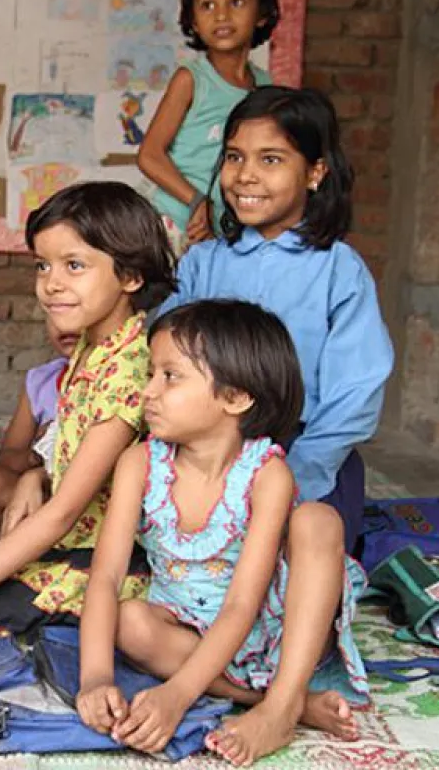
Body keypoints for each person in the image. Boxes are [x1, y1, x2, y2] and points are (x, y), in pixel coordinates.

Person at [155, 85, 394, 764]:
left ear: (316, 172)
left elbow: (357, 392)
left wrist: (294, 478)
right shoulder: (203, 263)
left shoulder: (337, 270)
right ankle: (266, 696)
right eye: (234, 157)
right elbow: (163, 354)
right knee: (171, 596)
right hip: (209, 454)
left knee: (298, 599)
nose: (246, 176)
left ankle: (286, 698)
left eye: (271, 159)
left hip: (305, 456)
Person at [78, 300, 368, 764]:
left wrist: (176, 697)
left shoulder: (265, 475)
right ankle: (282, 705)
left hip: (276, 633)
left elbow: (241, 605)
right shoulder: (138, 464)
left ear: (235, 397)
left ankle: (283, 701)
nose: (147, 391)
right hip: (187, 635)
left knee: (318, 519)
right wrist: (94, 677)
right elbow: (106, 578)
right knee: (130, 620)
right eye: (152, 373)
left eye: (170, 376)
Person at [0, 181, 177, 666]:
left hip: (111, 560)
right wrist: (35, 475)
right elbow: (70, 454)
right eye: (43, 266)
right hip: (72, 540)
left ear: (131, 276)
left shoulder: (129, 372)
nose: (51, 283)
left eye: (74, 266)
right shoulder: (93, 349)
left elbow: (63, 513)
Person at [139, 0, 279, 253]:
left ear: (262, 13)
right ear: (192, 20)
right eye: (207, 5)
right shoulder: (191, 80)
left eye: (236, 2)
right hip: (169, 223)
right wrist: (196, 201)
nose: (221, 15)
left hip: (219, 232)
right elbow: (150, 155)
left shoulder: (267, 89)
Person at [0, 318, 78, 530]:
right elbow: (7, 459)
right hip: (45, 495)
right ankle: (35, 540)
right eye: (56, 313)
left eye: (75, 310)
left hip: (98, 500)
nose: (67, 325)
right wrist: (36, 456)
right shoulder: (41, 382)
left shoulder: (117, 381)